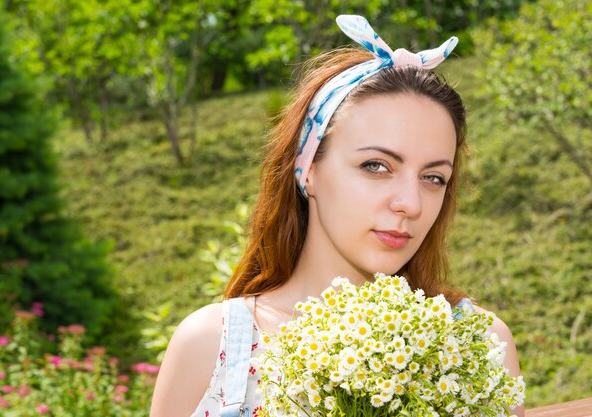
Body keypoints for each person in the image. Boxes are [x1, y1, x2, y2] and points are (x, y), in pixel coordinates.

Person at [150, 15, 525, 417]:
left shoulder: (478, 346)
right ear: (308, 169)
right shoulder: (212, 347)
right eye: (376, 166)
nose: (411, 204)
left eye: (433, 177)